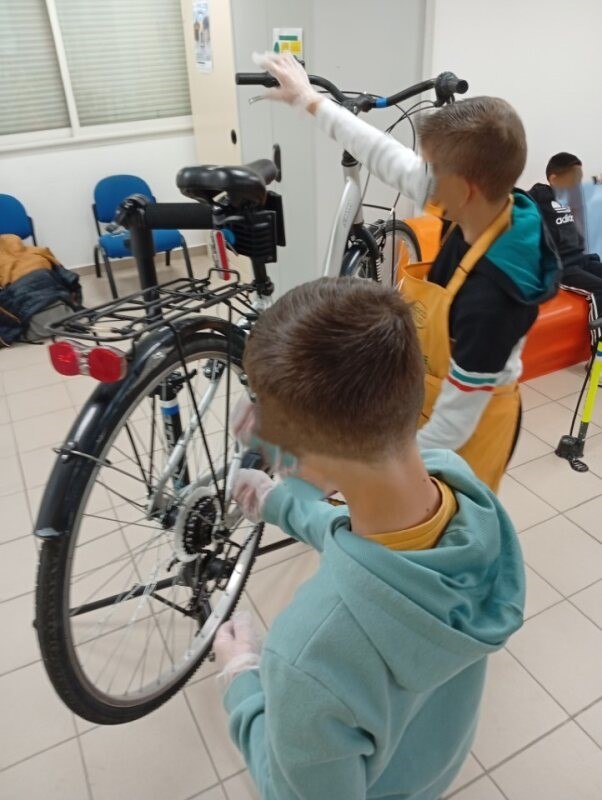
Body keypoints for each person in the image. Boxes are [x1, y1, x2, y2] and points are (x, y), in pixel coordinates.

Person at [213, 277, 525, 800]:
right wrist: (278, 501)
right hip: (432, 765)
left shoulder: (310, 654)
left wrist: (241, 680)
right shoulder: (466, 494)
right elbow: (376, 554)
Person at [252, 52, 560, 492]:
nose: (420, 175)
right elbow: (383, 154)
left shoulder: (492, 301)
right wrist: (308, 99)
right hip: (434, 390)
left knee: (441, 522)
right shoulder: (481, 203)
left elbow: (451, 428)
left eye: (430, 167)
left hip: (470, 428)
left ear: (464, 188)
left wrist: (364, 474)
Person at [530, 152, 602, 322]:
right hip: (562, 268)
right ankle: (599, 337)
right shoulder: (540, 195)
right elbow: (518, 199)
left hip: (581, 260)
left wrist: (597, 180)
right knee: (600, 289)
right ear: (553, 179)